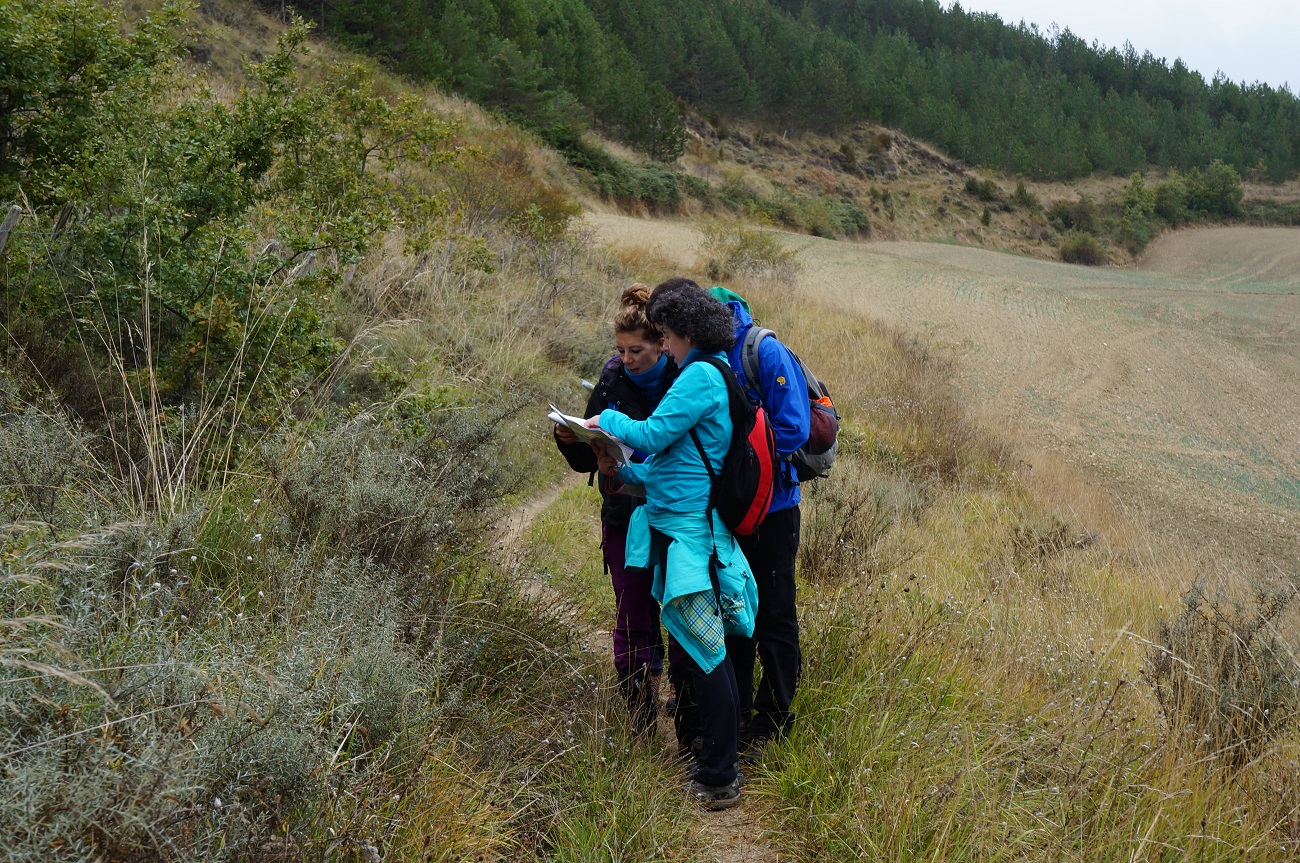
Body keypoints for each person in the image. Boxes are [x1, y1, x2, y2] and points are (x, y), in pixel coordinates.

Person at [586, 278, 757, 810]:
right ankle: (712, 762)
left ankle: (719, 774)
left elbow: (655, 434)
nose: (662, 345)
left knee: (707, 655)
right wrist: (627, 471)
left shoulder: (701, 375)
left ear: (681, 332)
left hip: (689, 537)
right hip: (683, 529)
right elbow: (672, 462)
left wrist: (602, 422)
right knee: (700, 651)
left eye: (662, 335)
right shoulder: (709, 373)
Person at [553, 284, 677, 734]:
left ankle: (686, 706)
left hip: (678, 513)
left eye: (637, 350)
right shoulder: (611, 378)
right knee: (631, 609)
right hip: (623, 511)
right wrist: (572, 440)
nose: (628, 359)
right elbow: (588, 447)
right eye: (621, 350)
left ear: (662, 344)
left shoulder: (685, 376)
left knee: (680, 606)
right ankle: (639, 715)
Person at [707, 284, 810, 755]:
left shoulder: (762, 351)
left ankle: (774, 722)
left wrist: (736, 464)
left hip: (775, 510)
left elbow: (794, 428)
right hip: (732, 515)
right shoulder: (705, 358)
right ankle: (740, 712)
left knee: (774, 616)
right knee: (736, 613)